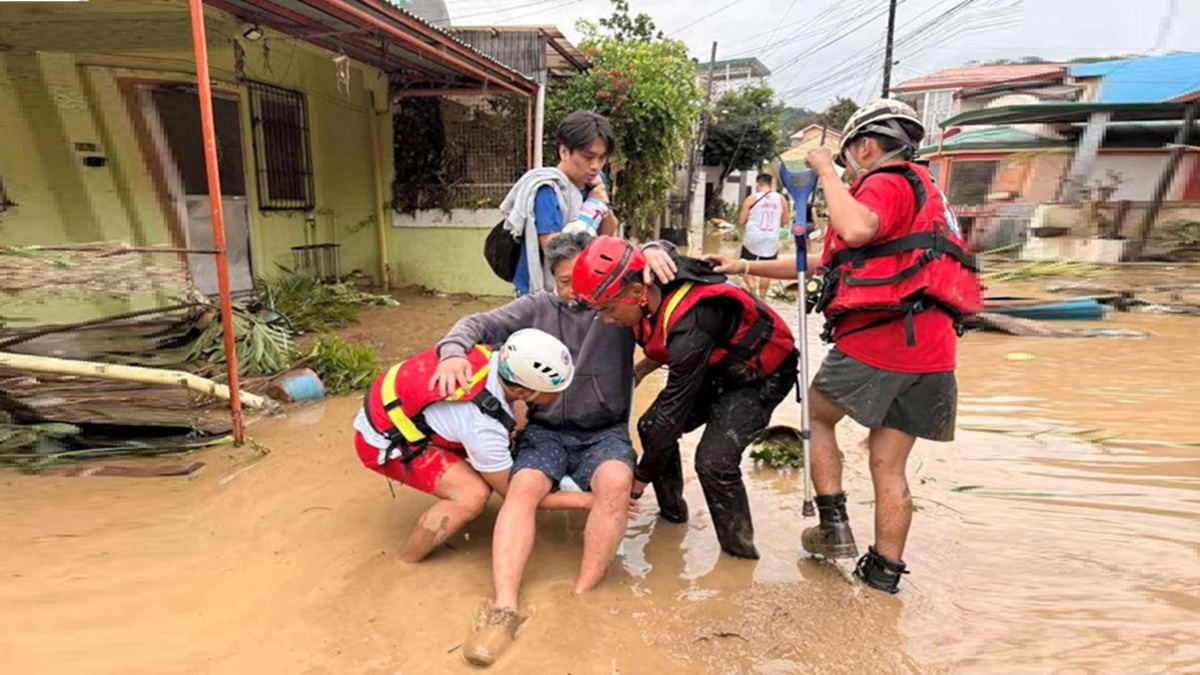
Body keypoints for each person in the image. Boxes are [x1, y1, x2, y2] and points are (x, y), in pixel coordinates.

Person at [705, 98, 981, 594]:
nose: (845, 165)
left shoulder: (884, 183)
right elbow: (815, 263)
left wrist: (823, 171)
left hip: (884, 340)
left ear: (866, 146)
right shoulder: (925, 196)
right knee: (888, 462)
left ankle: (832, 524)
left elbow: (855, 229)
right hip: (934, 352)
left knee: (816, 415)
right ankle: (883, 574)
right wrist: (742, 267)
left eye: (847, 154)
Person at [432, 231, 678, 668]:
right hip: (545, 431)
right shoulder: (536, 307)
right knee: (523, 485)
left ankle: (581, 599)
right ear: (552, 279)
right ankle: (504, 606)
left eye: (579, 280)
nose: (576, 292)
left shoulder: (615, 305)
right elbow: (476, 325)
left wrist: (658, 250)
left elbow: (670, 304)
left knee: (617, 481)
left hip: (604, 431)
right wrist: (452, 352)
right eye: (564, 281)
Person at [571, 236, 798, 560]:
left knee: (713, 461)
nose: (606, 319)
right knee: (649, 428)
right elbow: (667, 326)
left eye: (608, 309)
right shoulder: (653, 281)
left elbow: (673, 413)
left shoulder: (694, 320)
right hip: (716, 365)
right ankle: (672, 516)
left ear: (637, 293)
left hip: (761, 376)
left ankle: (739, 558)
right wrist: (645, 368)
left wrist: (637, 484)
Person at [353, 328, 588, 567]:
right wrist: (586, 501)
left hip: (399, 409)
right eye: (555, 392)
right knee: (472, 495)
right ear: (521, 391)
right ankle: (405, 562)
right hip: (382, 441)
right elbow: (515, 495)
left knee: (515, 425)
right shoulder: (482, 426)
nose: (561, 394)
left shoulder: (491, 354)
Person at [499, 111, 620, 296]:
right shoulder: (548, 189)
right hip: (542, 291)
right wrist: (592, 207)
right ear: (564, 152)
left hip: (581, 284)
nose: (596, 165)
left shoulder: (596, 180)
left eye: (602, 158)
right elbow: (554, 247)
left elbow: (608, 232)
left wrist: (602, 202)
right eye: (589, 157)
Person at [737, 173, 787, 297]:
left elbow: (741, 221)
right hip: (771, 238)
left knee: (745, 266)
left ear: (758, 184)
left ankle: (753, 291)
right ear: (771, 184)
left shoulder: (751, 199)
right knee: (767, 270)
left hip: (752, 238)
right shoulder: (781, 199)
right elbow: (785, 221)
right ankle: (763, 297)